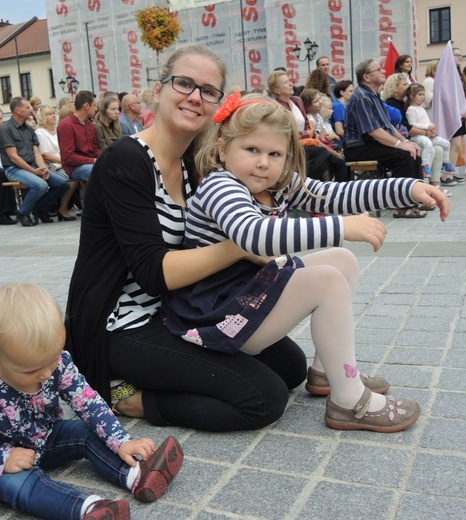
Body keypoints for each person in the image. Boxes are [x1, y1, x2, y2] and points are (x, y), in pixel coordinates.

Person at [161, 92, 450, 432]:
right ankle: (349, 401)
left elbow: (338, 194)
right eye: (251, 150)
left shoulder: (277, 184)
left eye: (275, 154)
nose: (263, 163)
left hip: (245, 293)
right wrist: (343, 226)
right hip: (217, 314)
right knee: (326, 280)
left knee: (342, 260)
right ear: (223, 148)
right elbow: (254, 234)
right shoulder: (220, 185)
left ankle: (329, 371)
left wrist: (409, 187)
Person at [66, 44, 309, 432]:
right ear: (159, 89)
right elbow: (153, 274)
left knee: (291, 368)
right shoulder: (125, 161)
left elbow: (290, 193)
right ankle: (132, 398)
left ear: (217, 104)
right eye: (184, 84)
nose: (195, 97)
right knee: (263, 398)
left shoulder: (194, 161)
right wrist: (239, 248)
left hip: (180, 310)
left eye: (208, 91)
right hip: (123, 325)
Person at [0, 283, 183, 520]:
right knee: (21, 486)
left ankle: (136, 474)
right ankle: (87, 509)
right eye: (32, 371)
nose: (47, 373)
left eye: (53, 359)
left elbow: (87, 402)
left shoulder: (56, 362)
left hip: (45, 437)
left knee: (85, 431)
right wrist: (2, 458)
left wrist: (120, 440)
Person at [344, 60, 425, 218]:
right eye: (378, 69)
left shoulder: (374, 96)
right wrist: (400, 145)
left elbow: (388, 126)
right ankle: (402, 207)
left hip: (372, 144)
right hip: (358, 147)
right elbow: (373, 131)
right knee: (403, 156)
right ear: (367, 77)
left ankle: (416, 198)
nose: (383, 71)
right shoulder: (361, 97)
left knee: (413, 151)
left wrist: (406, 142)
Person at [0, 97, 69, 226]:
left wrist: (43, 168)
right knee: (40, 185)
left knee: (63, 184)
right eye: (27, 107)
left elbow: (36, 152)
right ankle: (23, 213)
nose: (31, 110)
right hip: (14, 169)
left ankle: (41, 208)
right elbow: (13, 157)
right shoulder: (5, 129)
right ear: (18, 111)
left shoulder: (29, 129)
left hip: (33, 165)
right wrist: (34, 171)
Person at [269, 69, 347, 182]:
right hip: (293, 147)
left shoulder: (297, 100)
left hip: (308, 144)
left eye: (289, 81)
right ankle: (325, 190)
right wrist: (307, 134)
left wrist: (309, 133)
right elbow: (286, 132)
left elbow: (307, 123)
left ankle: (337, 191)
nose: (291, 84)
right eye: (286, 83)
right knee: (323, 155)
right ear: (277, 89)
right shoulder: (277, 107)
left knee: (337, 162)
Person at [36, 105, 76, 221]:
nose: (53, 115)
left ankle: (66, 206)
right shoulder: (40, 132)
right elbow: (45, 155)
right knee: (72, 178)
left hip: (65, 163)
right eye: (49, 114)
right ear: (43, 117)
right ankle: (62, 208)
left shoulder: (58, 129)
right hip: (52, 165)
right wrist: (66, 161)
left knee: (79, 174)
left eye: (54, 113)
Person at [405, 83, 454, 178]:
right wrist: (427, 127)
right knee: (428, 144)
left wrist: (433, 129)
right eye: (420, 94)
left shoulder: (422, 109)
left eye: (423, 94)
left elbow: (427, 122)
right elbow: (412, 124)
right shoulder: (411, 109)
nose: (422, 97)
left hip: (427, 134)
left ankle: (446, 163)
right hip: (417, 137)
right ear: (412, 96)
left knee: (446, 143)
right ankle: (425, 166)